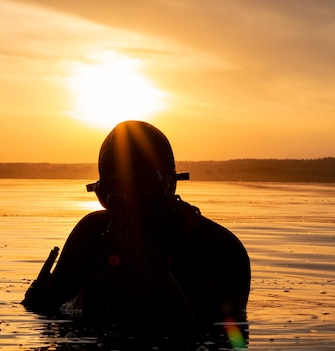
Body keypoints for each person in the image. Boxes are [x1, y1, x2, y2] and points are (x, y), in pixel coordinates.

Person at [22, 120, 250, 330]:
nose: (130, 204)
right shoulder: (91, 234)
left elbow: (223, 341)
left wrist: (156, 277)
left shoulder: (219, 250)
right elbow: (46, 312)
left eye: (143, 188)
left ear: (171, 185)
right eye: (115, 191)